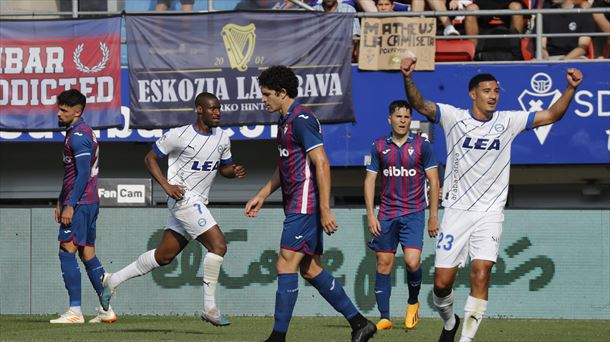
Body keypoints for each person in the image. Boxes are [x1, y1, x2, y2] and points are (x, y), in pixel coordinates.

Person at [400, 56, 583, 342]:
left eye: (496, 91)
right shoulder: (453, 117)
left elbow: (551, 115)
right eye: (487, 91)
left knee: (481, 272)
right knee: (441, 284)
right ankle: (450, 322)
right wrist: (408, 77)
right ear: (473, 94)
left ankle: (466, 340)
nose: (493, 96)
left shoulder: (508, 121)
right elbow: (420, 104)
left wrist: (570, 89)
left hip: (490, 213)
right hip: (457, 210)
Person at [244, 65, 377, 342]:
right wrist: (261, 194)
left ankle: (277, 338)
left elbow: (322, 163)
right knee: (310, 269)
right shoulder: (284, 120)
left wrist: (325, 209)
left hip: (305, 203)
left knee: (285, 263)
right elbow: (285, 166)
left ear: (282, 93)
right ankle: (360, 323)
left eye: (267, 94)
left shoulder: (302, 118)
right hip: (295, 202)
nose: (263, 99)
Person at [100, 92, 246, 326]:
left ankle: (112, 281)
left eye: (219, 108)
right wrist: (166, 186)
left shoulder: (223, 138)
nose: (217, 112)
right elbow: (150, 159)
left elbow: (225, 168)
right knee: (218, 245)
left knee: (164, 256)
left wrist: (233, 172)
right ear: (199, 109)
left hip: (199, 201)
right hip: (183, 197)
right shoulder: (179, 135)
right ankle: (210, 308)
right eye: (212, 108)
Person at [364, 100, 440, 331]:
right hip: (387, 213)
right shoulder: (378, 146)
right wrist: (370, 213)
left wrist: (433, 216)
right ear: (390, 119)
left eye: (406, 117)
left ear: (410, 120)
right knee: (383, 264)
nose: (402, 120)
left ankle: (413, 302)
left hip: (414, 213)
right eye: (398, 116)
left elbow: (434, 180)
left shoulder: (422, 145)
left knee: (412, 261)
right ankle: (385, 317)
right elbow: (370, 180)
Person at [51, 89, 117, 324]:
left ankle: (75, 311)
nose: (59, 113)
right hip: (84, 201)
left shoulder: (79, 136)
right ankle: (106, 309)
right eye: (59, 108)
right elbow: (70, 174)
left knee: (65, 250)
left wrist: (70, 205)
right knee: (87, 252)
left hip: (81, 202)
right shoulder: (75, 132)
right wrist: (61, 200)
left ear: (77, 112)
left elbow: (82, 175)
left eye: (64, 110)